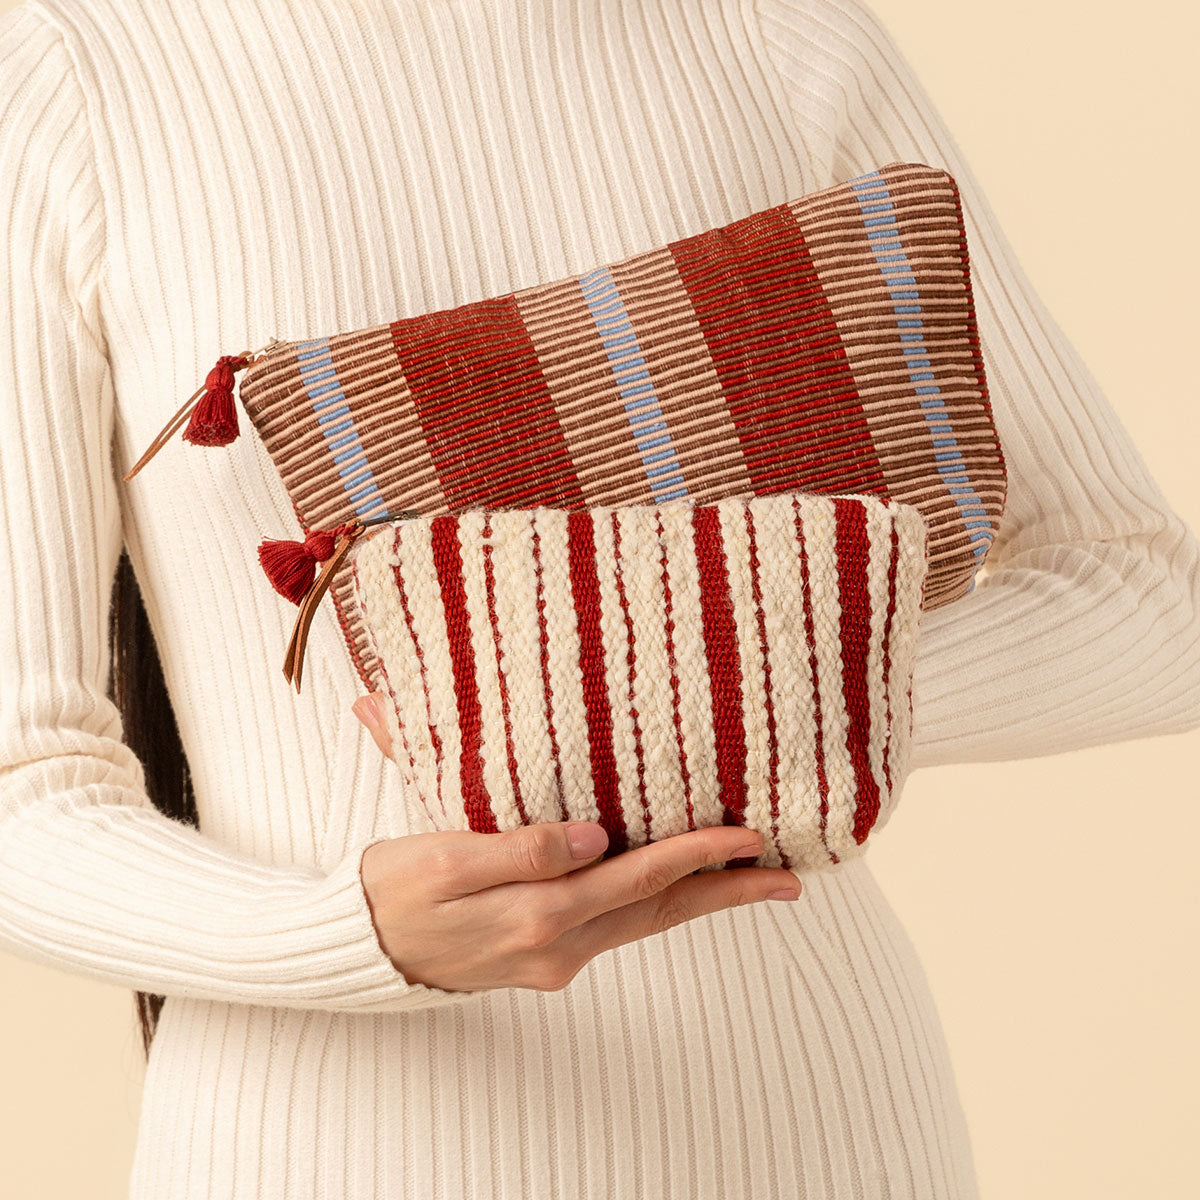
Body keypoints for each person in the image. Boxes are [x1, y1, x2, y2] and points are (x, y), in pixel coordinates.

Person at [1, 0, 1197, 1196]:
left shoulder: (774, 32)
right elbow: (23, 784)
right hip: (332, 1142)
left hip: (816, 1124)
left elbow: (1155, 599)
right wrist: (351, 936)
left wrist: (702, 687)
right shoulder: (73, 78)